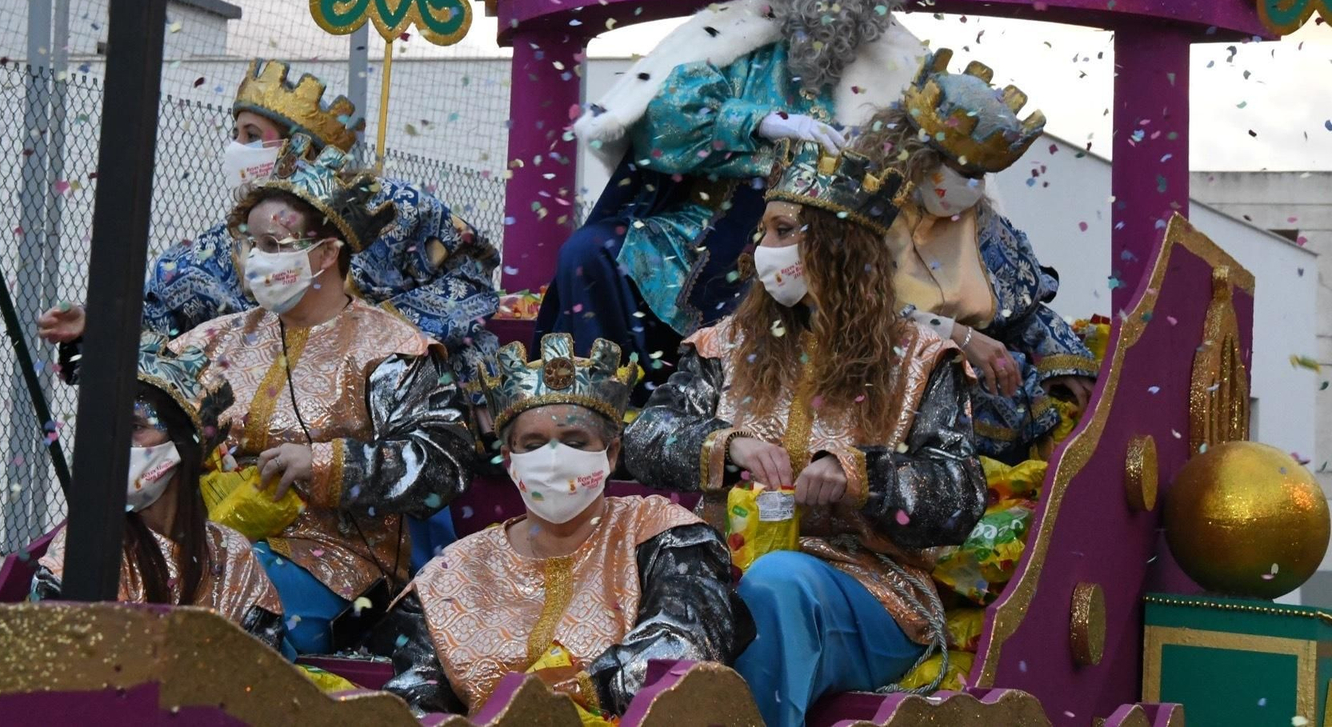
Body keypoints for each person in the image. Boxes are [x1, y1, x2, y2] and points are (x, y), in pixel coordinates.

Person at [539, 0, 928, 381]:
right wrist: (761, 122)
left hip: (836, 245)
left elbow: (933, 173)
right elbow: (664, 122)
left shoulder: (901, 63)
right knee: (591, 252)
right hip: (705, 233)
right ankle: (618, 408)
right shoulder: (731, 37)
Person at [625, 141, 986, 727]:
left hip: (869, 588)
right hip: (722, 575)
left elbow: (959, 495)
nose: (762, 250)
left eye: (782, 230)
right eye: (763, 232)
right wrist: (726, 443)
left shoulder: (920, 359)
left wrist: (859, 476)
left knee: (776, 583)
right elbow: (645, 437)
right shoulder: (726, 345)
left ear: (837, 246)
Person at [39, 57, 503, 407]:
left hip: (395, 403)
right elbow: (165, 317)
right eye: (235, 133)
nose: (236, 148)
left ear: (302, 148)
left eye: (251, 134)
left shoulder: (395, 210)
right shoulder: (227, 247)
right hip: (272, 416)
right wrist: (99, 327)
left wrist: (378, 337)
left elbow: (470, 276)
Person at [165, 139, 477, 657]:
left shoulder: (393, 350)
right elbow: (148, 407)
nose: (255, 260)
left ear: (328, 253)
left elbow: (441, 468)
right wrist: (92, 343)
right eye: (250, 244)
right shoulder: (213, 341)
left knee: (229, 607)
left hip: (340, 561)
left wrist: (327, 463)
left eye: (274, 245)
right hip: (209, 539)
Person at [371, 334, 743, 718]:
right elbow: (413, 700)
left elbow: (682, 648)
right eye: (533, 445)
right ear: (509, 459)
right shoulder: (452, 575)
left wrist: (547, 705)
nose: (552, 460)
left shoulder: (661, 535)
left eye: (574, 441)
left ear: (611, 453)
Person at [853, 49, 1099, 462]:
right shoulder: (855, 217)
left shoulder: (982, 225)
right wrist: (958, 336)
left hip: (991, 421)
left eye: (981, 177)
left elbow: (1025, 309)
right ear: (919, 153)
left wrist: (1068, 364)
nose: (975, 188)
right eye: (964, 172)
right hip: (883, 408)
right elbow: (849, 312)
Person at [32, 343, 285, 648]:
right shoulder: (84, 548)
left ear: (182, 443)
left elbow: (263, 673)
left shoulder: (231, 554)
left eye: (135, 427)